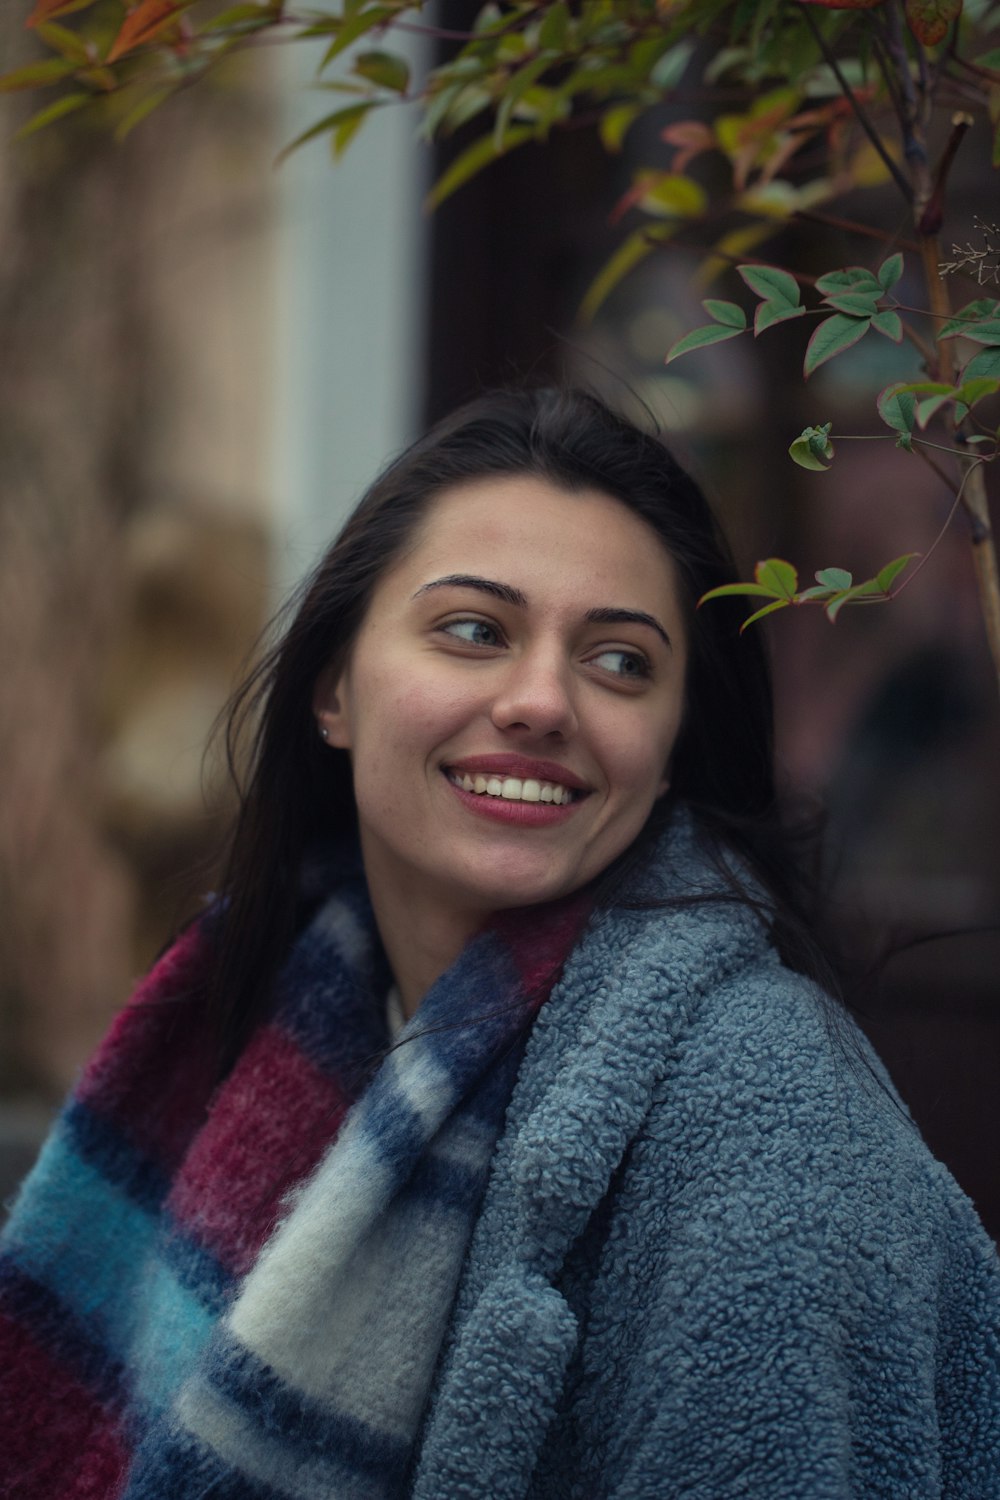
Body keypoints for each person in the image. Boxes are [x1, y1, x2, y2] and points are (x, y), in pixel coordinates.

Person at [1, 387, 997, 1499]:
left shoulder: (764, 1107)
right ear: (333, 687)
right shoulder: (266, 1009)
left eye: (619, 661)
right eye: (474, 631)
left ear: (670, 748)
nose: (540, 703)